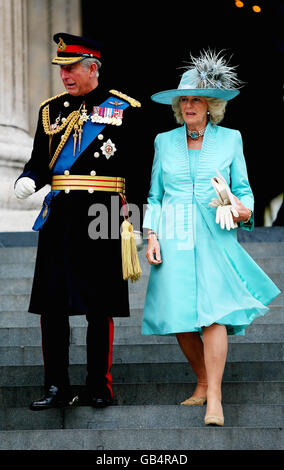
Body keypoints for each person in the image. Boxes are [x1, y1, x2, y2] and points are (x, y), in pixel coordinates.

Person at [142, 50, 281, 426]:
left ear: (210, 105)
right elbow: (154, 196)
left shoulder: (231, 140)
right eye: (183, 99)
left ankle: (215, 399)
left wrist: (243, 210)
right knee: (180, 318)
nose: (188, 105)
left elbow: (245, 192)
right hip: (173, 234)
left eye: (195, 99)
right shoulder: (163, 142)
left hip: (216, 234)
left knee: (213, 315)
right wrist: (151, 237)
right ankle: (202, 381)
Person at [14, 32, 145, 410]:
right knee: (52, 306)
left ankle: (98, 386)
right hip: (60, 217)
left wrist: (134, 220)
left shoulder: (124, 109)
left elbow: (137, 172)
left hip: (101, 215)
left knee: (99, 305)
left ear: (93, 68)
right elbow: (41, 161)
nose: (65, 76)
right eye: (61, 70)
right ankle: (56, 386)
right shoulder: (50, 110)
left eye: (71, 69)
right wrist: (29, 179)